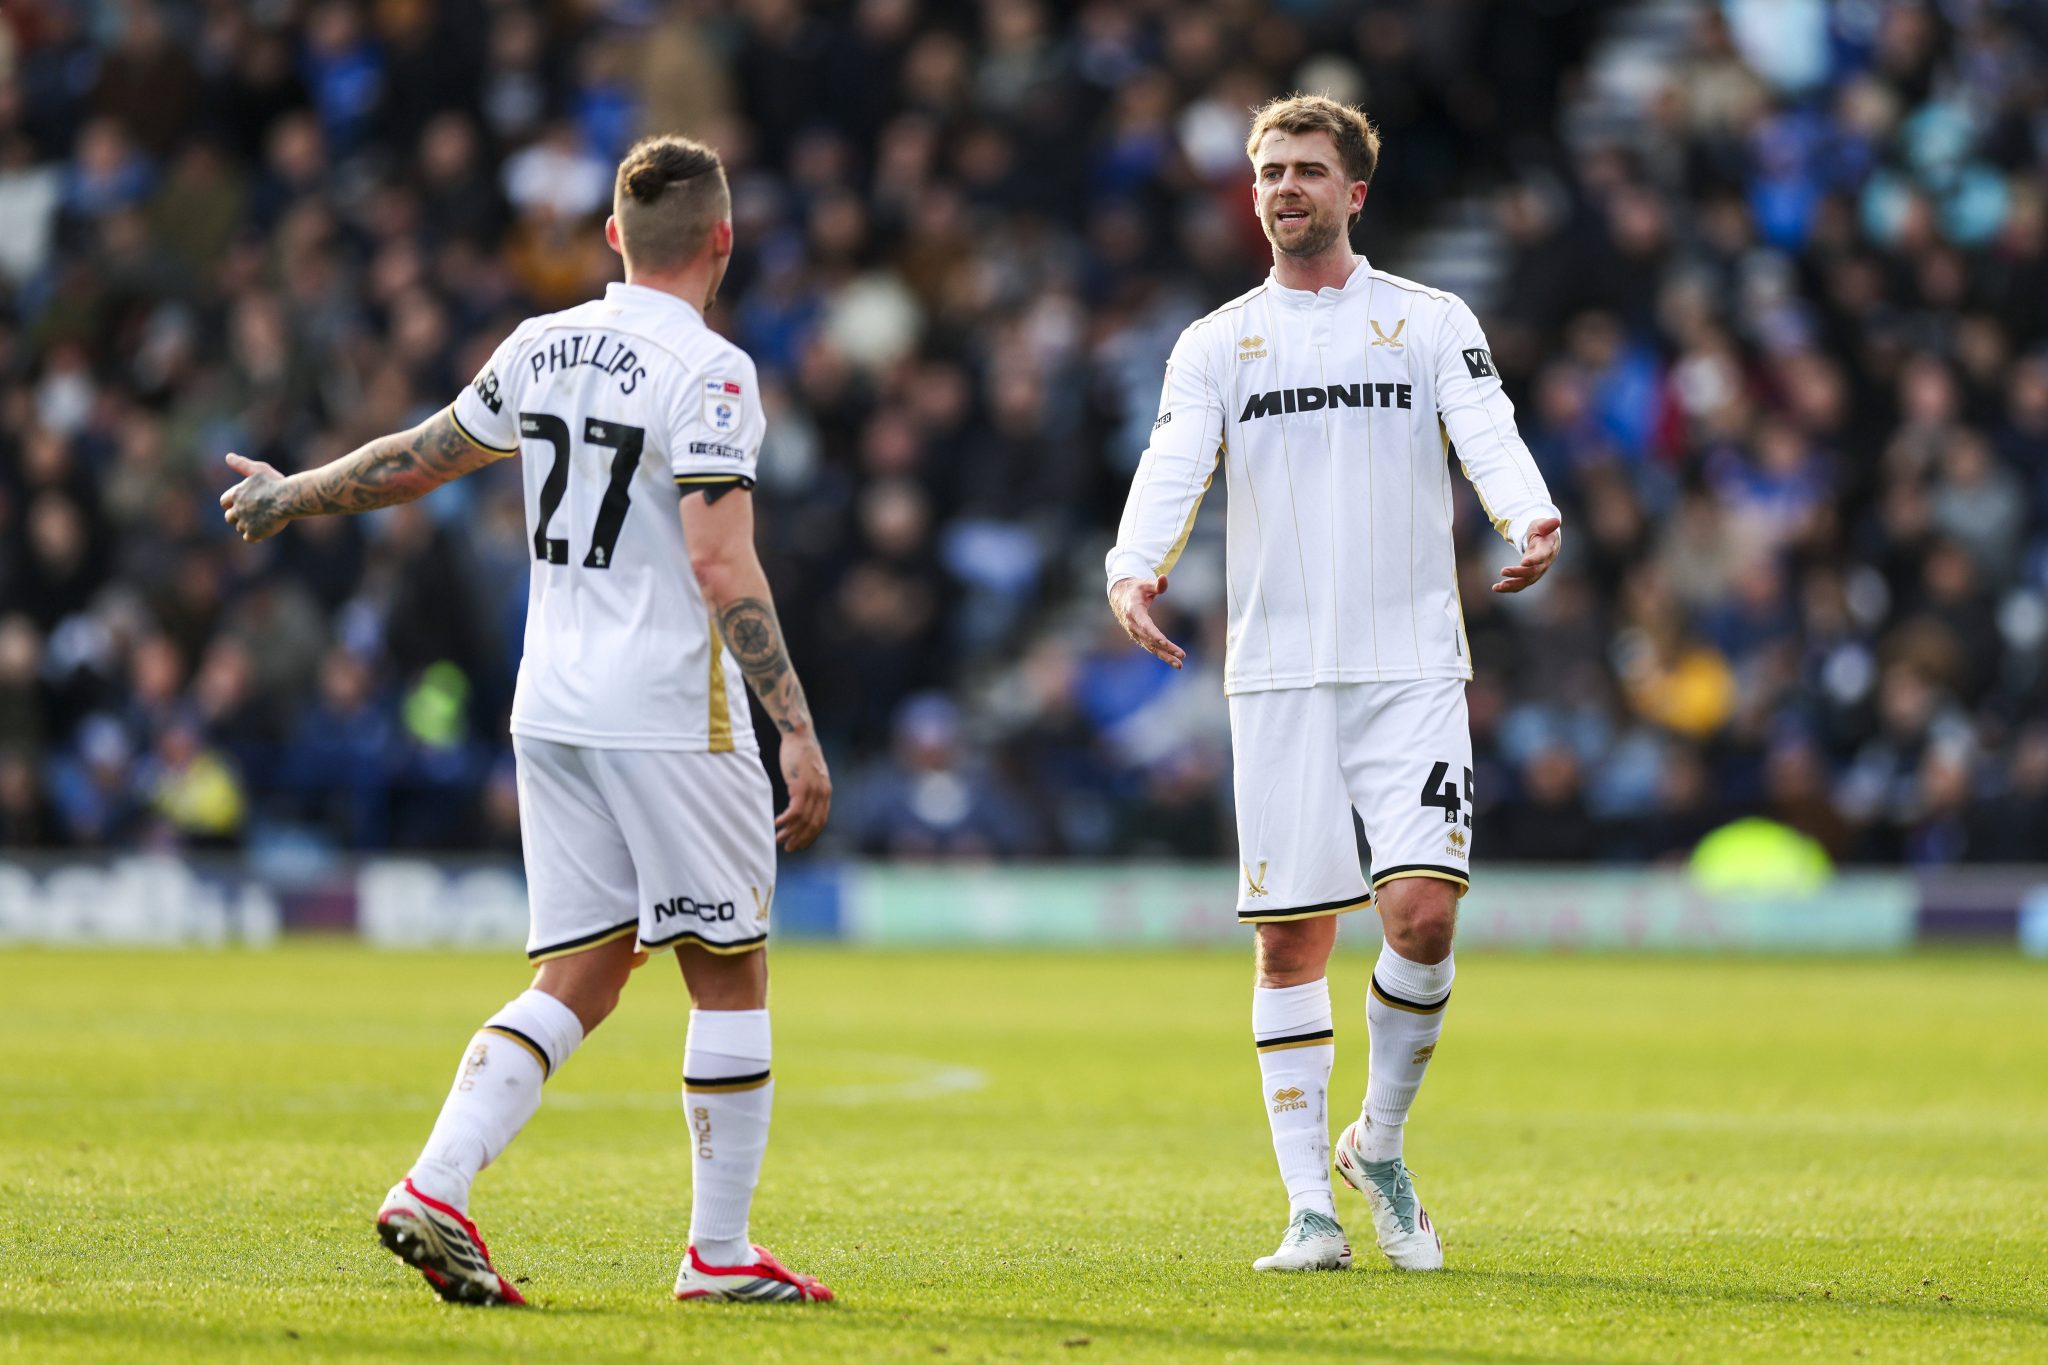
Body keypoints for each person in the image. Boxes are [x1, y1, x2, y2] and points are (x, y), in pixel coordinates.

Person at [220, 134, 835, 1306]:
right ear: (723, 239)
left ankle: (437, 1184)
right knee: (729, 970)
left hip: (548, 704)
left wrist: (291, 492)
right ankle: (716, 1255)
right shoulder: (712, 370)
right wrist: (792, 725)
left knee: (589, 969)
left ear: (609, 236)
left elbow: (420, 458)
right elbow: (718, 556)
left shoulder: (538, 343)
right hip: (667, 708)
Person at [1104, 95, 1562, 1274]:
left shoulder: (1424, 320)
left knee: (1420, 914)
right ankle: (1309, 1209)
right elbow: (1171, 462)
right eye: (1268, 171)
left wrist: (1525, 511)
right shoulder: (1213, 342)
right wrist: (1132, 566)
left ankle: (1380, 1142)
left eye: (1306, 170)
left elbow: (1484, 423)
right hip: (1278, 674)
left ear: (1354, 192)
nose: (1283, 188)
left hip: (1410, 663)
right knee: (1290, 941)